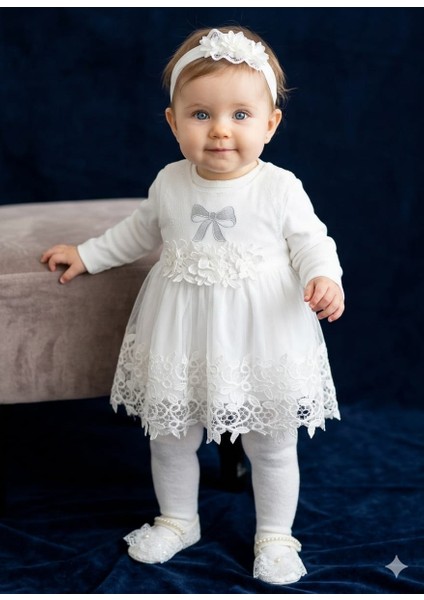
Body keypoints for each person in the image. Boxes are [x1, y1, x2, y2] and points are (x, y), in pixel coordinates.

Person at [41, 25, 345, 585]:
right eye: (201, 114)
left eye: (240, 115)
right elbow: (136, 233)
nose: (221, 130)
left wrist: (324, 276)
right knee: (171, 435)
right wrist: (87, 254)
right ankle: (178, 519)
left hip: (259, 333)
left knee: (272, 444)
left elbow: (312, 242)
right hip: (182, 330)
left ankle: (275, 535)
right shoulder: (170, 183)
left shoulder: (280, 188)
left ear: (271, 123)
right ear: (173, 122)